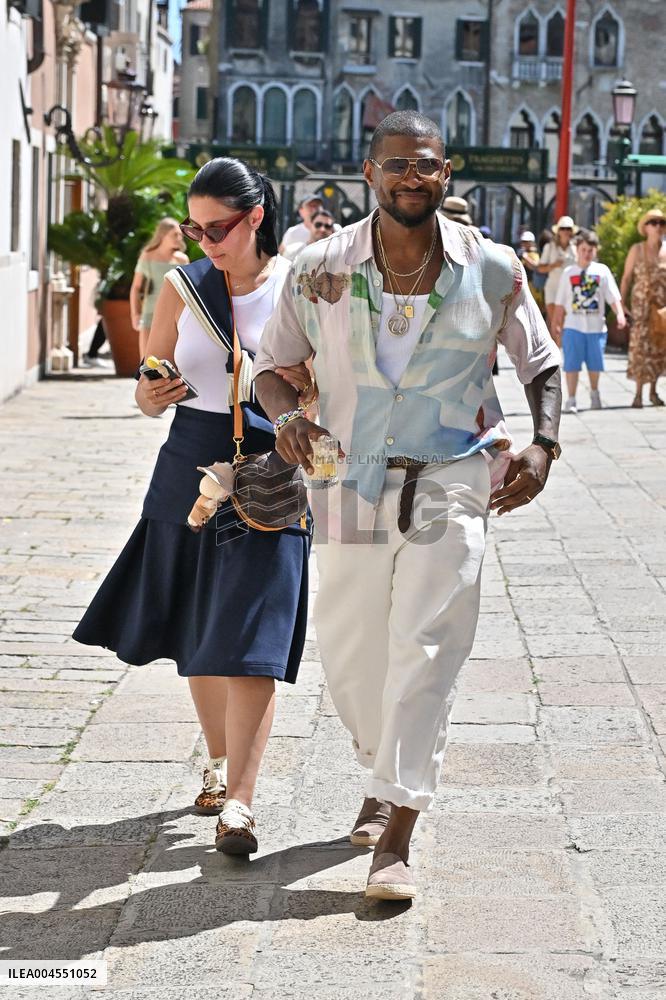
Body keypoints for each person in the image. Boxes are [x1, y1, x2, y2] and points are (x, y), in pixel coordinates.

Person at [254, 110, 561, 902]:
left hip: (452, 477)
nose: (411, 177)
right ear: (369, 172)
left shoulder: (493, 268)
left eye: (425, 165)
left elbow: (542, 362)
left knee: (429, 646)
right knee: (352, 652)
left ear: (445, 171)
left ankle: (398, 829)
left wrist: (543, 444)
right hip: (347, 476)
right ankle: (381, 772)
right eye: (396, 165)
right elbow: (271, 368)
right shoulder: (318, 264)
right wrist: (289, 416)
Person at [74, 158, 312, 856]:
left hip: (272, 463)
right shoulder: (182, 286)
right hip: (189, 464)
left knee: (255, 638)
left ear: (257, 216)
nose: (207, 242)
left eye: (221, 228)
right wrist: (150, 393)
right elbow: (151, 378)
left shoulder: (299, 286)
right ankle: (217, 764)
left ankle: (240, 801)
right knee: (200, 628)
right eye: (196, 229)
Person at [553, 229, 626, 413]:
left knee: (595, 365)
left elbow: (613, 297)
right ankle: (571, 399)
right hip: (573, 327)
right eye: (584, 249)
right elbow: (560, 303)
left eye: (590, 250)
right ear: (577, 249)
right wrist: (556, 323)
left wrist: (620, 314)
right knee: (571, 365)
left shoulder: (602, 271)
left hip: (596, 328)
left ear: (595, 251)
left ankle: (594, 393)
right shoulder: (568, 273)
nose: (587, 254)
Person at [620, 207, 666, 408]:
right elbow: (627, 277)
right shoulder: (636, 249)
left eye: (661, 223)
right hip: (640, 307)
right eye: (653, 222)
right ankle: (638, 394)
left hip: (661, 308)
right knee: (639, 348)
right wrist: (621, 303)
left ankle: (653, 392)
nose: (658, 226)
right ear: (646, 227)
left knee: (659, 348)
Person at [130, 218, 189, 360]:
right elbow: (136, 288)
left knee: (172, 364)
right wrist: (135, 315)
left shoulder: (182, 260)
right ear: (162, 235)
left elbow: (188, 290)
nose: (179, 238)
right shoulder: (148, 255)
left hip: (175, 316)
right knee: (145, 363)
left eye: (180, 235)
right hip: (150, 313)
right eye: (174, 234)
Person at [537, 215, 577, 343]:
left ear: (572, 231)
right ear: (558, 231)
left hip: (569, 290)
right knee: (554, 320)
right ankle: (556, 354)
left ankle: (562, 350)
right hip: (553, 287)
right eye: (563, 228)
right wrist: (554, 265)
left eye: (568, 228)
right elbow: (540, 268)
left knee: (565, 322)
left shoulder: (575, 248)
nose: (565, 231)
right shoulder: (549, 247)